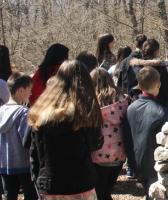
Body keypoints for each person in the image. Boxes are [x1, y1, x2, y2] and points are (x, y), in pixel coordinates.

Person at [25, 60, 104, 198]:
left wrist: (37, 179)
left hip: (49, 183)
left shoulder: (39, 112)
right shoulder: (84, 113)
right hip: (80, 183)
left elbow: (33, 151)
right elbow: (95, 144)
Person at [123, 67, 168, 199]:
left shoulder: (130, 108)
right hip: (153, 164)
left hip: (135, 162)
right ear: (159, 84)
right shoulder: (161, 112)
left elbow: (127, 136)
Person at [90, 68, 128, 200]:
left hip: (98, 153)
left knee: (98, 193)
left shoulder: (92, 101)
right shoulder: (122, 99)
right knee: (106, 191)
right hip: (119, 153)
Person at [0, 73, 37, 200]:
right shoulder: (23, 112)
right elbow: (27, 140)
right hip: (23, 164)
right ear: (21, 90)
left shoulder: (1, 111)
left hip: (4, 164)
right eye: (30, 90)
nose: (31, 94)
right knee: (31, 195)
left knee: (9, 194)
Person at [128, 39, 168, 108]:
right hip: (157, 104)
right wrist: (167, 99)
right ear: (156, 51)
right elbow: (166, 88)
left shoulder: (134, 67)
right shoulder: (160, 67)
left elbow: (130, 87)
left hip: (137, 104)